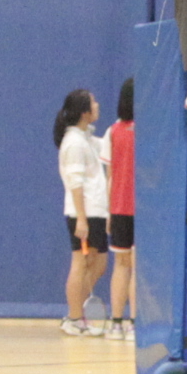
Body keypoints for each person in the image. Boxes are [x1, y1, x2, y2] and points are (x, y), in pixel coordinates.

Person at [54, 86, 108, 334]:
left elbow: (106, 147)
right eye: (93, 103)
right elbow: (75, 183)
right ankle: (74, 318)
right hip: (84, 212)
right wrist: (82, 220)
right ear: (85, 112)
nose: (97, 106)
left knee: (97, 263)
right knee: (81, 262)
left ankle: (75, 313)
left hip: (96, 211)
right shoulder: (74, 142)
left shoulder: (86, 138)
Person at [100, 80, 137, 336]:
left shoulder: (112, 132)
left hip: (119, 208)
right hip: (143, 210)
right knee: (138, 269)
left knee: (121, 266)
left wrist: (109, 212)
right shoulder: (150, 130)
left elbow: (110, 177)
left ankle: (116, 324)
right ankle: (134, 325)